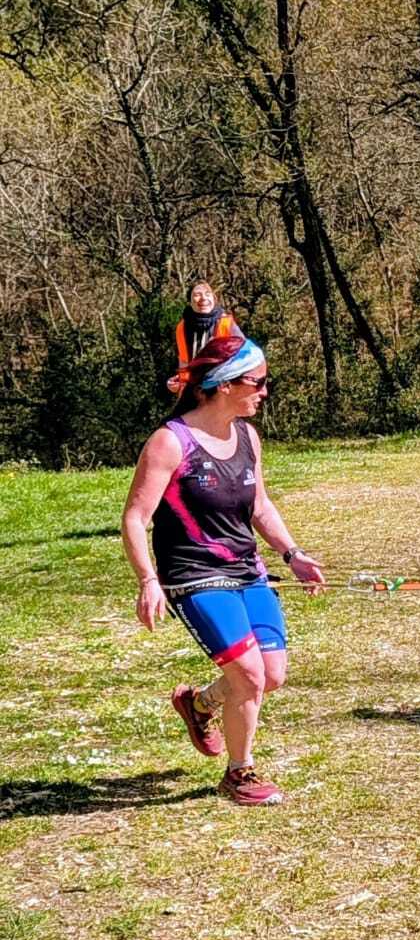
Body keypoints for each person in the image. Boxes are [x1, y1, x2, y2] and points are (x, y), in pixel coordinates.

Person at [122, 333, 325, 805]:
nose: (264, 392)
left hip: (247, 570)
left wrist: (292, 555)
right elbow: (135, 517)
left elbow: (260, 506)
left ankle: (199, 705)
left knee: (271, 674)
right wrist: (148, 581)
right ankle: (240, 773)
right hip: (193, 575)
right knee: (249, 676)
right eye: (257, 382)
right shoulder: (170, 442)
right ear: (225, 384)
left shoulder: (247, 436)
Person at [167, 281, 238, 395]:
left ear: (214, 298)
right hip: (195, 393)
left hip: (223, 393)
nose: (203, 298)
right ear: (189, 301)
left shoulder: (227, 324)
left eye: (208, 293)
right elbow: (184, 362)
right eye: (197, 294)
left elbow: (244, 358)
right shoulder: (182, 327)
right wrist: (179, 385)